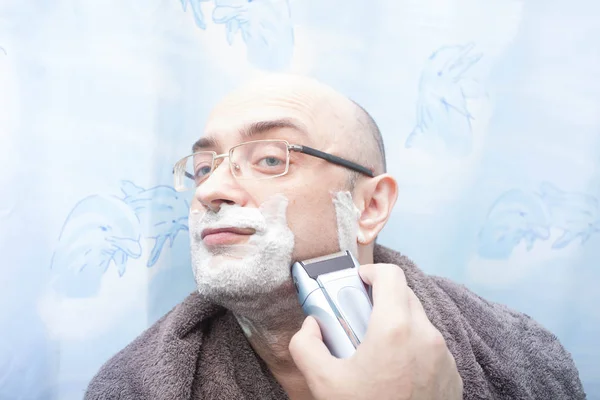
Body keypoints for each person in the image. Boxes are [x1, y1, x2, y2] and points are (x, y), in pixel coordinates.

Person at [85, 74, 586, 400]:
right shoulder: (129, 386)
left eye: (270, 159)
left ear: (369, 206)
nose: (211, 191)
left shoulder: (520, 355)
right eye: (201, 167)